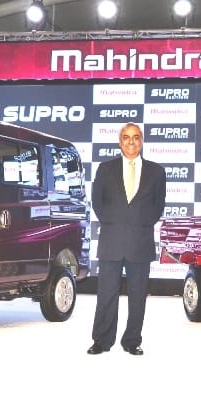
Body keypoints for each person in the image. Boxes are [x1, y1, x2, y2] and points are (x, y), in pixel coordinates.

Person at [87, 122, 166, 356]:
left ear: (141, 141)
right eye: (126, 137)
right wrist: (115, 224)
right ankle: (101, 340)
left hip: (140, 242)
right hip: (111, 241)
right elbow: (98, 203)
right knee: (106, 295)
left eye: (136, 137)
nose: (131, 141)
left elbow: (157, 207)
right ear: (120, 142)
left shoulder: (156, 172)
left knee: (138, 296)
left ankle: (132, 340)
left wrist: (140, 224)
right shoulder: (105, 169)